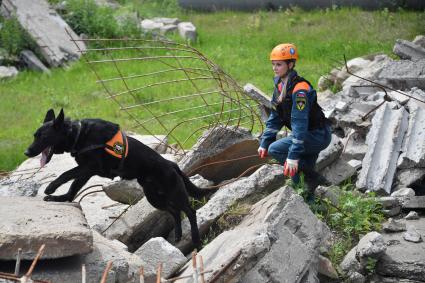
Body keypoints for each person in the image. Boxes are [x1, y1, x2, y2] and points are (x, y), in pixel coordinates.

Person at [258, 43, 332, 195]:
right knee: (299, 177)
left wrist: (292, 155)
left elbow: (300, 123)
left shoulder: (300, 91)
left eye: (279, 64)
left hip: (317, 135)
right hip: (307, 135)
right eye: (273, 64)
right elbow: (276, 115)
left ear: (290, 64)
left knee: (276, 150)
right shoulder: (280, 85)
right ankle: (310, 202)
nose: (274, 68)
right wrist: (265, 141)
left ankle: (314, 177)